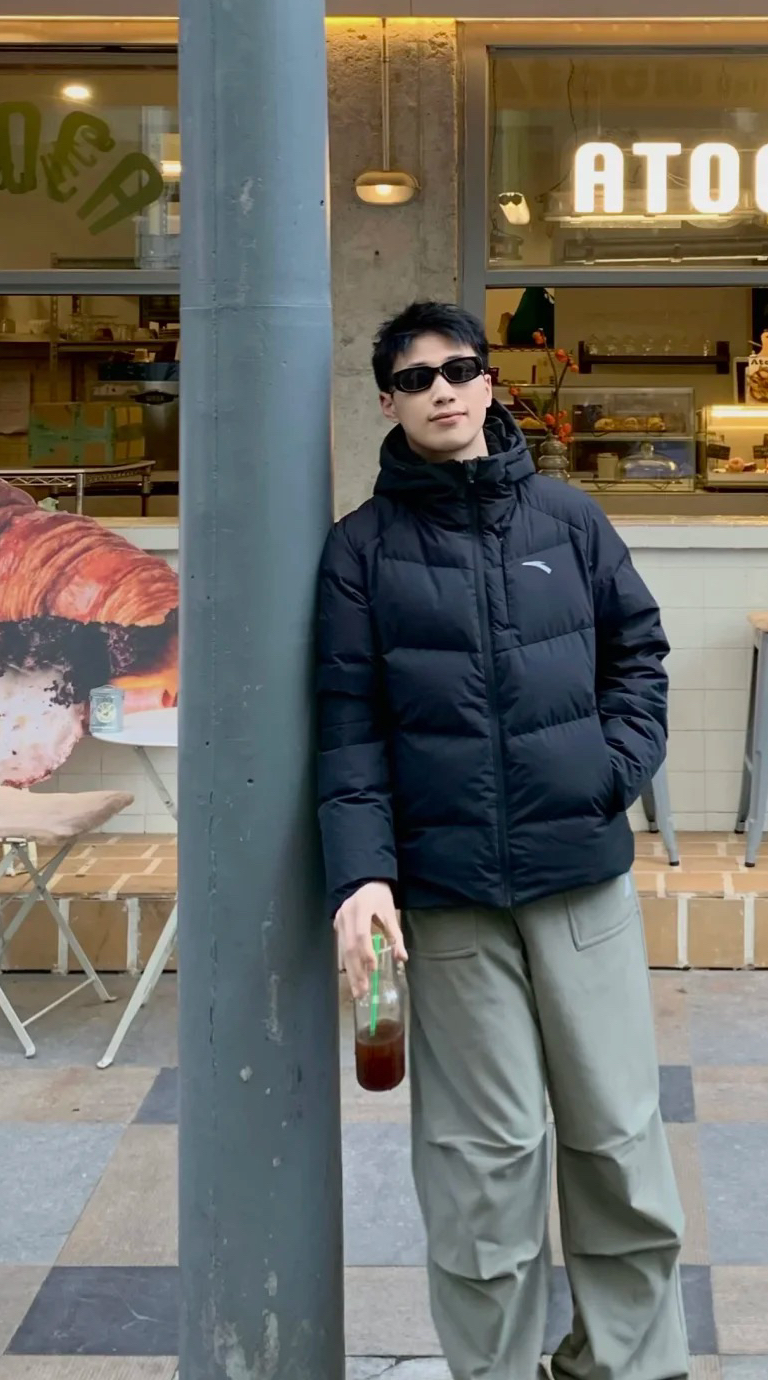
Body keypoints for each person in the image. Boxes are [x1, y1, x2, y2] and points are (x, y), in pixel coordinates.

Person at [317, 301, 688, 1380]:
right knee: (486, 1162)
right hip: (449, 898)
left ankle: (627, 1365)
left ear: (489, 384)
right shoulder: (360, 551)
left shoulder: (569, 521)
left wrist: (607, 775)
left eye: (458, 369)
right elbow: (347, 729)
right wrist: (362, 877)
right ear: (387, 401)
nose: (440, 388)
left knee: (618, 1139)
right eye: (415, 376)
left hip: (580, 882)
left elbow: (640, 656)